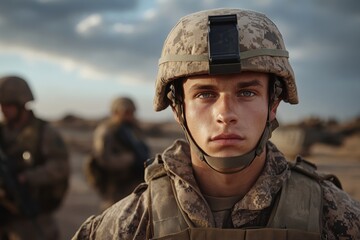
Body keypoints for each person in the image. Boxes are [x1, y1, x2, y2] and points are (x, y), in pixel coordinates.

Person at [72, 8, 360, 240]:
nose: (225, 114)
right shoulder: (127, 225)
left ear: (273, 104)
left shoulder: (334, 215)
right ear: (178, 108)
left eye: (247, 93)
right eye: (205, 94)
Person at [0, 76, 70, 239]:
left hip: (31, 209)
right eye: (1, 105)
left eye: (8, 105)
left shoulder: (45, 133)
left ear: (22, 104)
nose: (3, 109)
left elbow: (60, 166)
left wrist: (28, 177)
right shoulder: (2, 131)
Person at [84, 96, 150, 211]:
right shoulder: (107, 131)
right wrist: (130, 159)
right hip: (116, 189)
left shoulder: (133, 130)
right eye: (126, 112)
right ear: (115, 112)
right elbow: (104, 159)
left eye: (132, 112)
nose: (130, 115)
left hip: (135, 185)